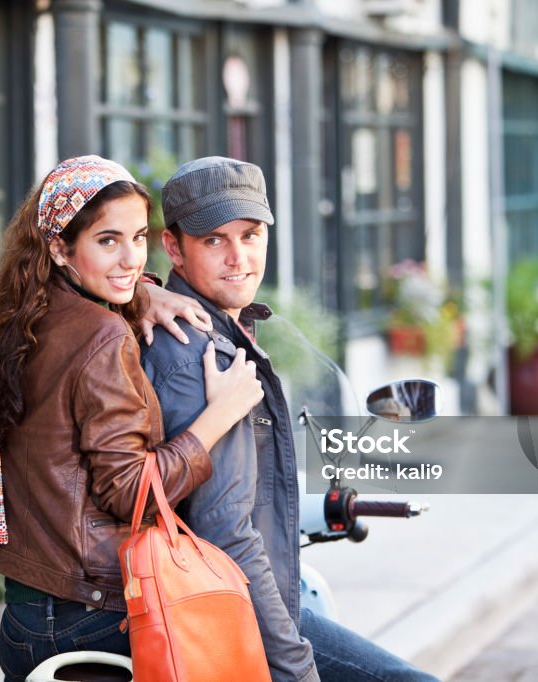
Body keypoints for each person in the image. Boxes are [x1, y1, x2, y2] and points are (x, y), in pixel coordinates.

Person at [0, 155, 264, 682]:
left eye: (139, 238)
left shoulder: (21, 318)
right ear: (58, 246)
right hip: (95, 615)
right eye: (107, 241)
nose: (129, 259)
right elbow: (131, 492)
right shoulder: (102, 336)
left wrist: (144, 292)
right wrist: (220, 415)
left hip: (27, 618)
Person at [140, 156, 440, 682]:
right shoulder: (200, 355)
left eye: (251, 235)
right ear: (174, 248)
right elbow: (226, 533)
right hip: (232, 610)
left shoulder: (220, 330)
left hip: (242, 600)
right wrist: (295, 666)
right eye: (214, 240)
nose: (239, 258)